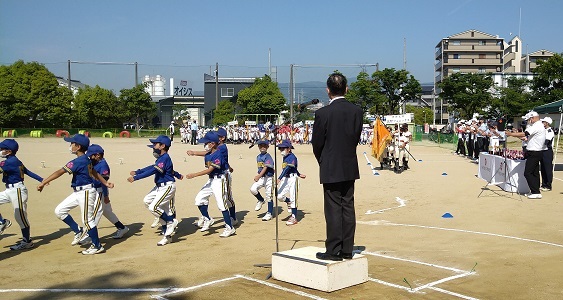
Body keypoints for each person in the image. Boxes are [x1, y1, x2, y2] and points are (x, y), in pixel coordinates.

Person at [312, 73, 363, 261]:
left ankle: (333, 250)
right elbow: (355, 138)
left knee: (333, 208)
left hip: (331, 165)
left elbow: (317, 143)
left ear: (328, 91)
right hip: (349, 164)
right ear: (346, 89)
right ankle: (347, 249)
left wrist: (323, 160)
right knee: (348, 206)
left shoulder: (323, 113)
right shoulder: (357, 111)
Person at [38, 134, 114, 255]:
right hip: (78, 192)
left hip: (86, 192)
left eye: (71, 144)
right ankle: (78, 231)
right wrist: (105, 182)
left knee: (88, 220)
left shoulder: (78, 161)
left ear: (78, 147)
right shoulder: (86, 160)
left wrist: (43, 183)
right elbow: (94, 172)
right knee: (60, 211)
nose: (70, 146)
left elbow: (59, 172)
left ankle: (97, 245)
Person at [127, 135, 182, 246]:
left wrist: (136, 178)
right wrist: (138, 171)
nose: (153, 147)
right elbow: (152, 167)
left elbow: (152, 171)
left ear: (162, 146)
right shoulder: (160, 159)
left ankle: (171, 223)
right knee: (147, 201)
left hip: (167, 187)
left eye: (155, 144)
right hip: (159, 187)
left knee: (154, 207)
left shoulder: (165, 158)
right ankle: (168, 232)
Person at [187, 131, 236, 238]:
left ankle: (229, 227)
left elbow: (210, 170)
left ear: (212, 144)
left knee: (222, 204)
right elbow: (207, 157)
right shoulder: (210, 154)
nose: (205, 145)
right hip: (211, 180)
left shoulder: (218, 153)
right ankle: (208, 219)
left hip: (219, 180)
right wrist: (194, 153)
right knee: (199, 199)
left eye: (207, 143)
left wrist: (194, 175)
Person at [0, 139, 43, 250]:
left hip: (17, 191)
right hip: (9, 190)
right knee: (20, 216)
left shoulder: (10, 162)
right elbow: (27, 171)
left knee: (20, 217)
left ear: (8, 151)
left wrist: (43, 180)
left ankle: (27, 241)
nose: (0, 151)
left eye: (2, 149)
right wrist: (42, 179)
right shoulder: (14, 160)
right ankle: (2, 222)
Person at [86, 144, 129, 240]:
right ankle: (122, 228)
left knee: (95, 214)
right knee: (107, 212)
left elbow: (104, 183)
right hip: (94, 190)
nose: (90, 157)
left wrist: (105, 195)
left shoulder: (103, 166)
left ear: (98, 155)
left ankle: (89, 235)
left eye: (91, 155)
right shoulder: (94, 162)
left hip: (100, 191)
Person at [506, 111, 546, 199]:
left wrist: (511, 134)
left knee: (528, 173)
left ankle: (535, 191)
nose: (528, 121)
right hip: (535, 151)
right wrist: (516, 135)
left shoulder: (536, 125)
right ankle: (535, 191)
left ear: (533, 118)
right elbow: (526, 137)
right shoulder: (537, 126)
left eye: (528, 119)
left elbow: (525, 134)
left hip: (534, 152)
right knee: (534, 172)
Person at [276, 140, 306, 226]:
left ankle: (294, 216)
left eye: (283, 148)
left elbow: (288, 168)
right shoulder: (285, 157)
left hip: (292, 179)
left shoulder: (293, 157)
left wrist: (279, 178)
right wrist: (300, 174)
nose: (281, 150)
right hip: (286, 178)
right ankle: (288, 202)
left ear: (289, 149)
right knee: (279, 196)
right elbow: (292, 168)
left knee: (293, 197)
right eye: (280, 149)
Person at [250, 139, 275, 221]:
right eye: (261, 146)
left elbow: (266, 166)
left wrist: (258, 175)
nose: (262, 147)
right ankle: (260, 200)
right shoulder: (258, 157)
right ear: (258, 147)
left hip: (269, 178)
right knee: (253, 189)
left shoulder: (268, 156)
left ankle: (269, 213)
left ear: (267, 147)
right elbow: (260, 167)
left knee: (269, 196)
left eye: (264, 146)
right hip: (262, 178)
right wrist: (259, 175)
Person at [540, 117, 554, 192]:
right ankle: (544, 184)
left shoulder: (549, 131)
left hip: (547, 151)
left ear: (547, 123)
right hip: (542, 150)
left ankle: (548, 185)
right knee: (542, 168)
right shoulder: (543, 130)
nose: (542, 123)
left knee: (547, 168)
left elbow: (547, 141)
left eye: (544, 122)